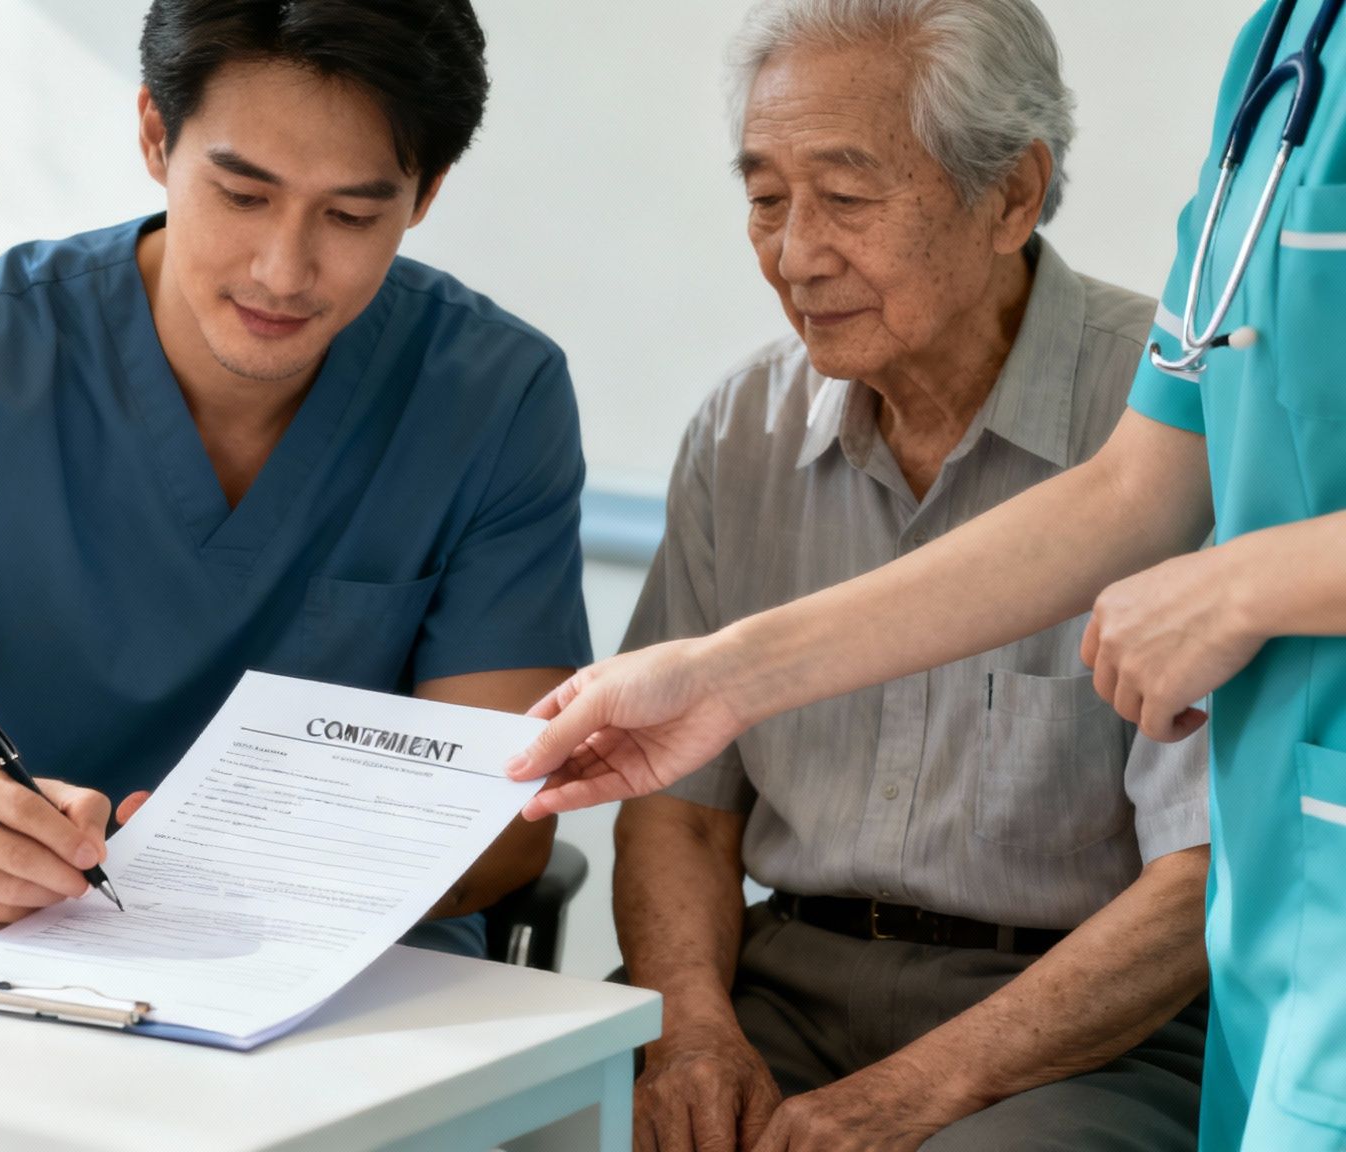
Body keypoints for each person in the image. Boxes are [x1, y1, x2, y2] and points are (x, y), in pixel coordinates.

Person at [509, 0, 1346, 1145]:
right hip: (784, 975)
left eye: (845, 200)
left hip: (1079, 1024)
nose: (795, 254)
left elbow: (1188, 875)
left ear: (1008, 195)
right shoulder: (744, 427)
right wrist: (690, 1029)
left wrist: (912, 1092)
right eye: (762, 200)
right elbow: (680, 817)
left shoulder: (1152, 404)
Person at [0, 0, 592, 959]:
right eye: (243, 195)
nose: (282, 270)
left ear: (424, 196)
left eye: (350, 215)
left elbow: (505, 819)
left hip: (330, 955)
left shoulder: (494, 395)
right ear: (155, 135)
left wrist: (235, 869)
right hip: (1, 934)